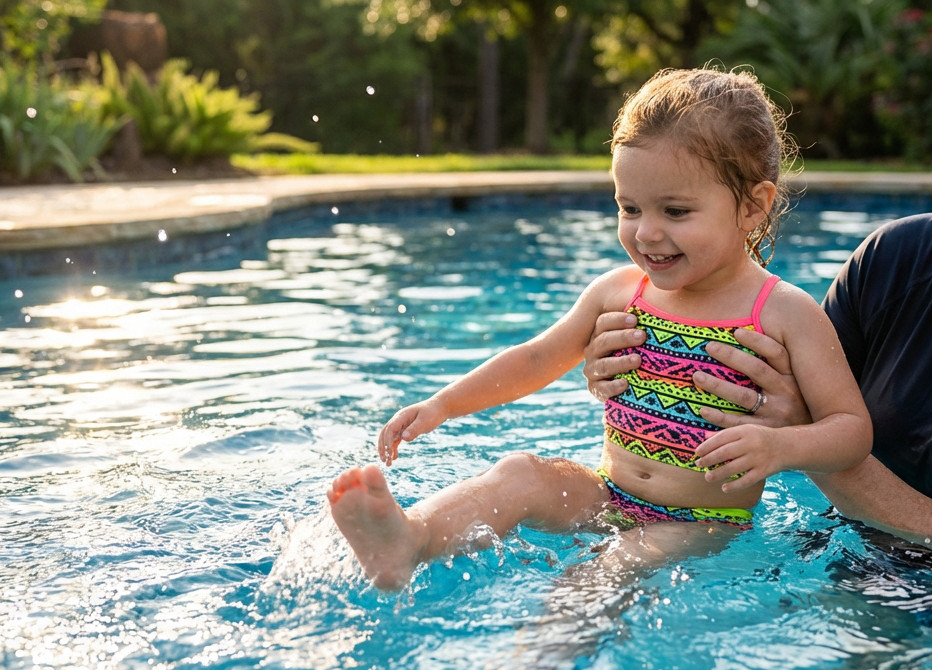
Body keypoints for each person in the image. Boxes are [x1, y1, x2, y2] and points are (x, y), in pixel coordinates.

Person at [585, 0, 932, 564]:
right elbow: (751, 396)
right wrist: (627, 364)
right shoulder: (896, 259)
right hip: (841, 565)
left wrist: (807, 444)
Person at [327, 67, 872, 591]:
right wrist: (444, 404)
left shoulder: (784, 312)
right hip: (607, 492)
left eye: (676, 211)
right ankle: (411, 539)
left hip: (701, 520)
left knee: (600, 575)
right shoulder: (619, 291)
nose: (647, 233)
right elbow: (538, 358)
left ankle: (529, 668)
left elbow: (851, 430)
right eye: (629, 207)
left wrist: (781, 448)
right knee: (519, 472)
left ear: (753, 206)